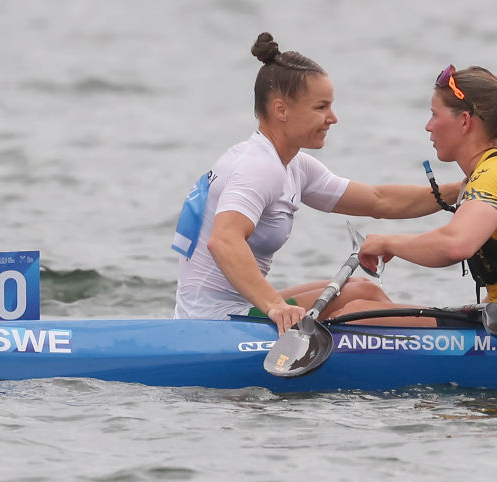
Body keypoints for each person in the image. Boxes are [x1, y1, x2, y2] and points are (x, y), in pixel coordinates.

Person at [173, 33, 462, 334]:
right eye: (321, 107)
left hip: (234, 308)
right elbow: (224, 240)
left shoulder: (292, 165)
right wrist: (275, 306)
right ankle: (447, 340)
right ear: (281, 110)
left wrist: (460, 189)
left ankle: (428, 339)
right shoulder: (257, 167)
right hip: (213, 323)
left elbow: (379, 200)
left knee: (363, 290)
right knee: (362, 297)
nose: (333, 118)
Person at [351, 64, 497, 327]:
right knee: (360, 295)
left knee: (355, 314)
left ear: (464, 121)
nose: (428, 126)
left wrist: (387, 243)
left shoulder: (496, 174)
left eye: (434, 115)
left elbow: (456, 245)